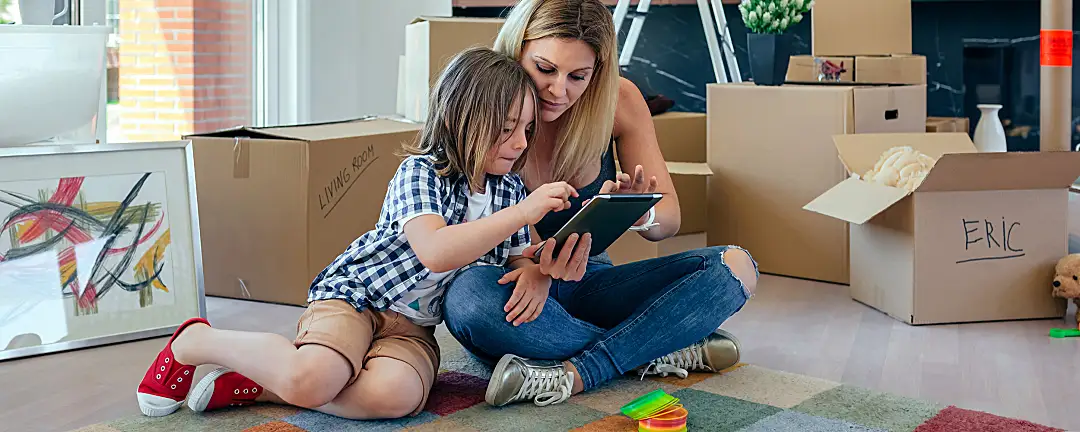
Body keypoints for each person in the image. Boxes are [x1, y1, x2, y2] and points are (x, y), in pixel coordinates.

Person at [135, 47, 577, 420]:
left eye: (527, 129)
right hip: (357, 296)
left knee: (397, 398)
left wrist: (535, 269)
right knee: (316, 379)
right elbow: (436, 251)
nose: (520, 142)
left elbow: (520, 253)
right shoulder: (421, 173)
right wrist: (525, 210)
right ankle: (196, 341)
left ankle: (265, 385)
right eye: (506, 130)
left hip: (414, 328)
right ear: (462, 120)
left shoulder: (509, 189)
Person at [441, 0, 761, 408]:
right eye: (544, 69)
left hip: (590, 282)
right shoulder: (481, 99)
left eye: (579, 76)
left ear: (599, 72)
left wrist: (637, 210)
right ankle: (651, 347)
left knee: (734, 267)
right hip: (512, 283)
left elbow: (669, 220)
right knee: (467, 301)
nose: (559, 90)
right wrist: (536, 268)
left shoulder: (618, 100)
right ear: (517, 48)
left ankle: (574, 373)